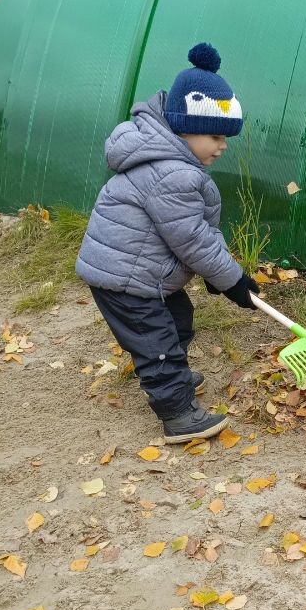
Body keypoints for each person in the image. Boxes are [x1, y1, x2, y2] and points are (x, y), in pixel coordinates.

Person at [75, 43, 258, 442]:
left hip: (138, 271)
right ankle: (177, 414)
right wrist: (232, 280)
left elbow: (197, 234)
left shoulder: (170, 162)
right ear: (184, 127)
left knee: (177, 318)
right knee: (156, 341)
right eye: (215, 136)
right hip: (124, 278)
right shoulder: (172, 174)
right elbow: (191, 239)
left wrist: (218, 273)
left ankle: (171, 373)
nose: (222, 146)